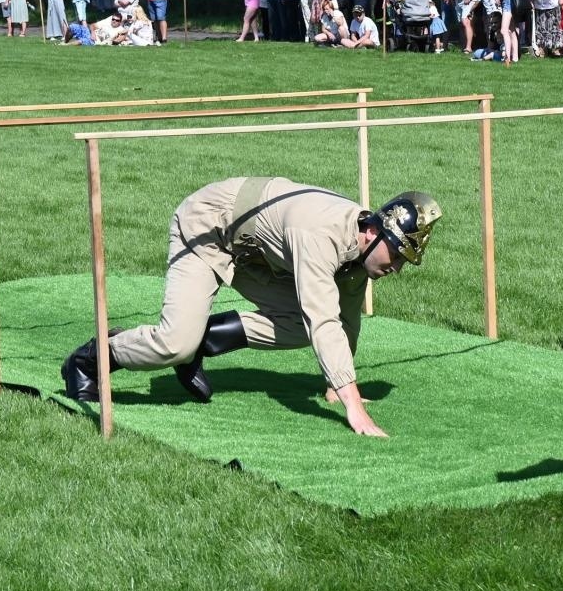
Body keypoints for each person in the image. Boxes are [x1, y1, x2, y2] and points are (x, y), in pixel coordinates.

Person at [60, 180, 442, 438]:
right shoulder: (321, 235)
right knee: (173, 343)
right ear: (374, 232)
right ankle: (89, 359)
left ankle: (200, 341)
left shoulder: (360, 250)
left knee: (300, 325)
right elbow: (323, 320)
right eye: (397, 254)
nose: (396, 267)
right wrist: (353, 407)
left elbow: (347, 316)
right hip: (209, 228)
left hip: (256, 255)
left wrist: (334, 387)